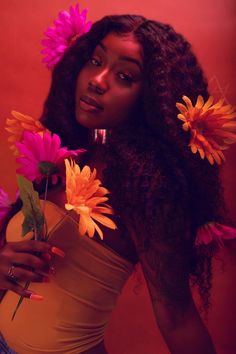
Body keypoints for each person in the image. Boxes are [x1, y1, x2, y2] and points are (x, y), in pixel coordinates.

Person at [0, 11, 233, 354]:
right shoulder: (65, 154)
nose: (98, 80)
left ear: (152, 99)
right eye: (95, 61)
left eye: (124, 75)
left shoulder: (149, 191)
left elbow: (178, 319)